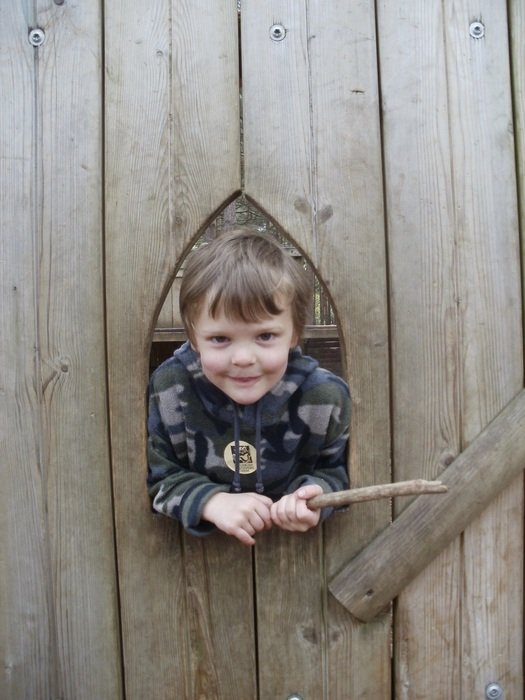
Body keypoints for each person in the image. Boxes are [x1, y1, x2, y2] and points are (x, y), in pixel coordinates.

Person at [147, 229, 350, 546]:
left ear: (294, 333)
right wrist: (211, 502)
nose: (242, 358)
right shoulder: (172, 389)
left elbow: (339, 472)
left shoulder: (324, 397)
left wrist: (314, 495)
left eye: (265, 336)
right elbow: (158, 477)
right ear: (193, 336)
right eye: (220, 339)